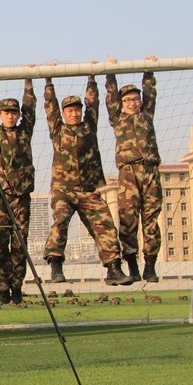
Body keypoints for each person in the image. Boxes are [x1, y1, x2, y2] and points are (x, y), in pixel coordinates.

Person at [43, 74, 132, 286]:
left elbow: (93, 102)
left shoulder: (89, 126)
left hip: (89, 190)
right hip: (63, 189)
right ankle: (56, 266)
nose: (74, 113)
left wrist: (92, 79)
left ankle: (113, 269)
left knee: (106, 224)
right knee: (60, 221)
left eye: (77, 110)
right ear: (63, 114)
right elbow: (50, 105)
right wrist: (48, 82)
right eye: (70, 110)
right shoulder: (58, 129)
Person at [105, 56, 161, 283]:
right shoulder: (117, 118)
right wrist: (110, 72)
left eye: (135, 99)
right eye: (127, 100)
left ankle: (150, 265)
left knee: (151, 219)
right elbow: (110, 96)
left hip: (150, 172)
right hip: (128, 173)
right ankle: (132, 266)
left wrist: (148, 71)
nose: (132, 103)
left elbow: (150, 93)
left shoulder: (146, 114)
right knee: (128, 220)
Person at [0, 78, 36, 305]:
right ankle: (3, 284)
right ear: (0, 115)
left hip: (20, 196)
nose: (11, 116)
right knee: (0, 243)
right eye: (6, 112)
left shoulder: (24, 132)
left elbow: (30, 108)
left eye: (14, 112)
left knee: (20, 242)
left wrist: (28, 82)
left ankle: (17, 284)